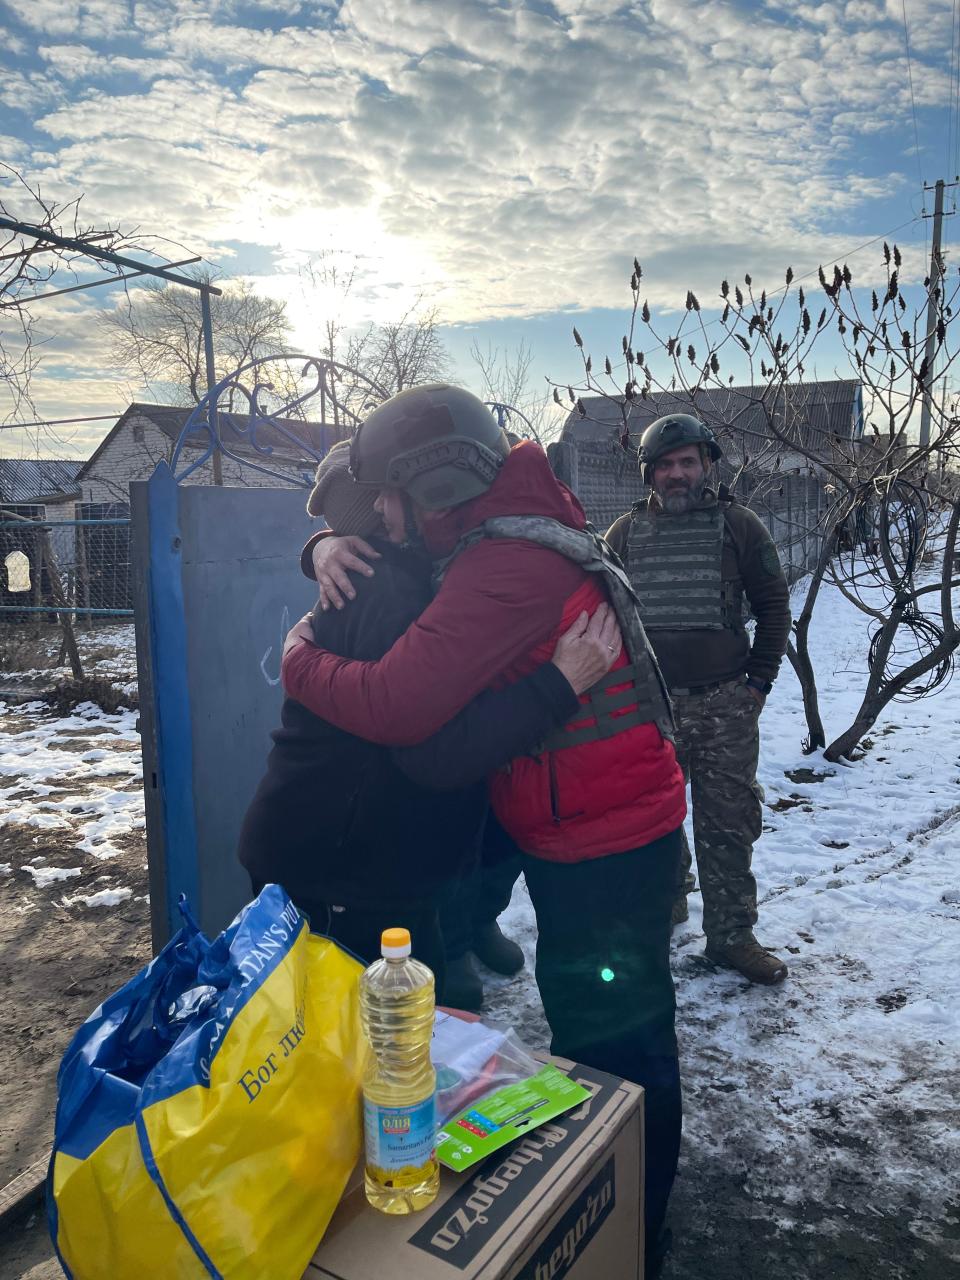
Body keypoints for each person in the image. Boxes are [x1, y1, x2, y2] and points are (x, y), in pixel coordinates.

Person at [280, 385, 686, 1273]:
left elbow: (396, 705)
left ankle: (634, 1235)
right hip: (589, 825)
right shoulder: (493, 530)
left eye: (391, 494)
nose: (384, 513)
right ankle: (624, 1214)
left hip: (605, 843)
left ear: (435, 482)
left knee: (619, 1048)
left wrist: (300, 654)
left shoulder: (502, 566)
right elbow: (357, 519)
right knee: (601, 1036)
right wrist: (320, 544)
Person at [237, 440, 616, 999]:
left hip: (361, 859)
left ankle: (466, 939)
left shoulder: (420, 576)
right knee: (358, 1051)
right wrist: (558, 686)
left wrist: (320, 546)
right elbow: (431, 748)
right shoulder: (386, 588)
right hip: (338, 868)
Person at [605, 413, 792, 985]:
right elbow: (608, 618)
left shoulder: (741, 527)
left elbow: (773, 608)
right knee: (654, 820)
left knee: (728, 822)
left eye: (688, 462)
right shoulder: (623, 534)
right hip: (652, 707)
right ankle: (668, 901)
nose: (677, 474)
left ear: (706, 465)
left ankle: (732, 936)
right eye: (666, 465)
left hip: (724, 703)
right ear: (650, 474)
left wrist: (756, 684)